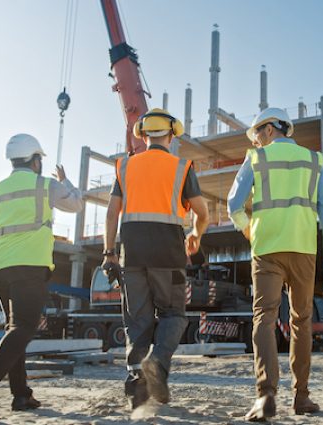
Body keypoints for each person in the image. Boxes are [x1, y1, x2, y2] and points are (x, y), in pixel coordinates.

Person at [227, 107, 323, 422]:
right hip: (304, 249)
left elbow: (233, 203)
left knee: (263, 319)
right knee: (301, 322)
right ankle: (302, 397)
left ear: (266, 130)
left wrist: (248, 228)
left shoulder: (256, 158)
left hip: (266, 249)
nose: (258, 142)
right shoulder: (314, 160)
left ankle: (265, 395)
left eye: (257, 136)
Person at [0, 133, 85, 422]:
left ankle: (21, 395)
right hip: (29, 267)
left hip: (0, 270)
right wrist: (65, 182)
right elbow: (77, 205)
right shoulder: (46, 185)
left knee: (14, 330)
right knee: (24, 328)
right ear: (36, 160)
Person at [102, 108, 210, 409]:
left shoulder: (125, 166)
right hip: (169, 254)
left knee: (138, 322)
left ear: (143, 134)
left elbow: (112, 212)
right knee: (173, 315)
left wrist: (109, 252)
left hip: (132, 255)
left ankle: (137, 390)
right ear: (172, 134)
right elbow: (203, 213)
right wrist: (196, 235)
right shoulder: (182, 167)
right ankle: (158, 362)